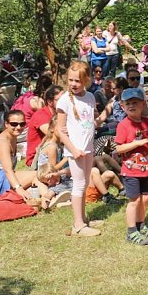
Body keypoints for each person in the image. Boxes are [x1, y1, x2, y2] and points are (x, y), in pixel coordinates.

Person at [56, 62, 100, 237]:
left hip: (88, 148)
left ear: (87, 80)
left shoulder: (89, 97)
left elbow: (89, 121)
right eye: (71, 80)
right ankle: (78, 225)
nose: (73, 84)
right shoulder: (64, 100)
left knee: (85, 183)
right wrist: (73, 149)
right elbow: (60, 130)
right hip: (76, 150)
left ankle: (83, 218)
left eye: (78, 81)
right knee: (79, 185)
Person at [115, 87, 148, 245]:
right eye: (128, 103)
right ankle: (131, 231)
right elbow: (118, 148)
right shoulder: (123, 125)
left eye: (135, 102)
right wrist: (137, 143)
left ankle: (141, 225)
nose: (131, 106)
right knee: (134, 200)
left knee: (145, 198)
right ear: (123, 106)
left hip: (145, 169)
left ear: (143, 104)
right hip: (130, 170)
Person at [25, 85, 63, 169]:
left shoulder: (60, 115)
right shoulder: (41, 115)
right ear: (50, 102)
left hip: (56, 153)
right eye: (61, 100)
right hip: (38, 160)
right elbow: (55, 135)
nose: (65, 102)